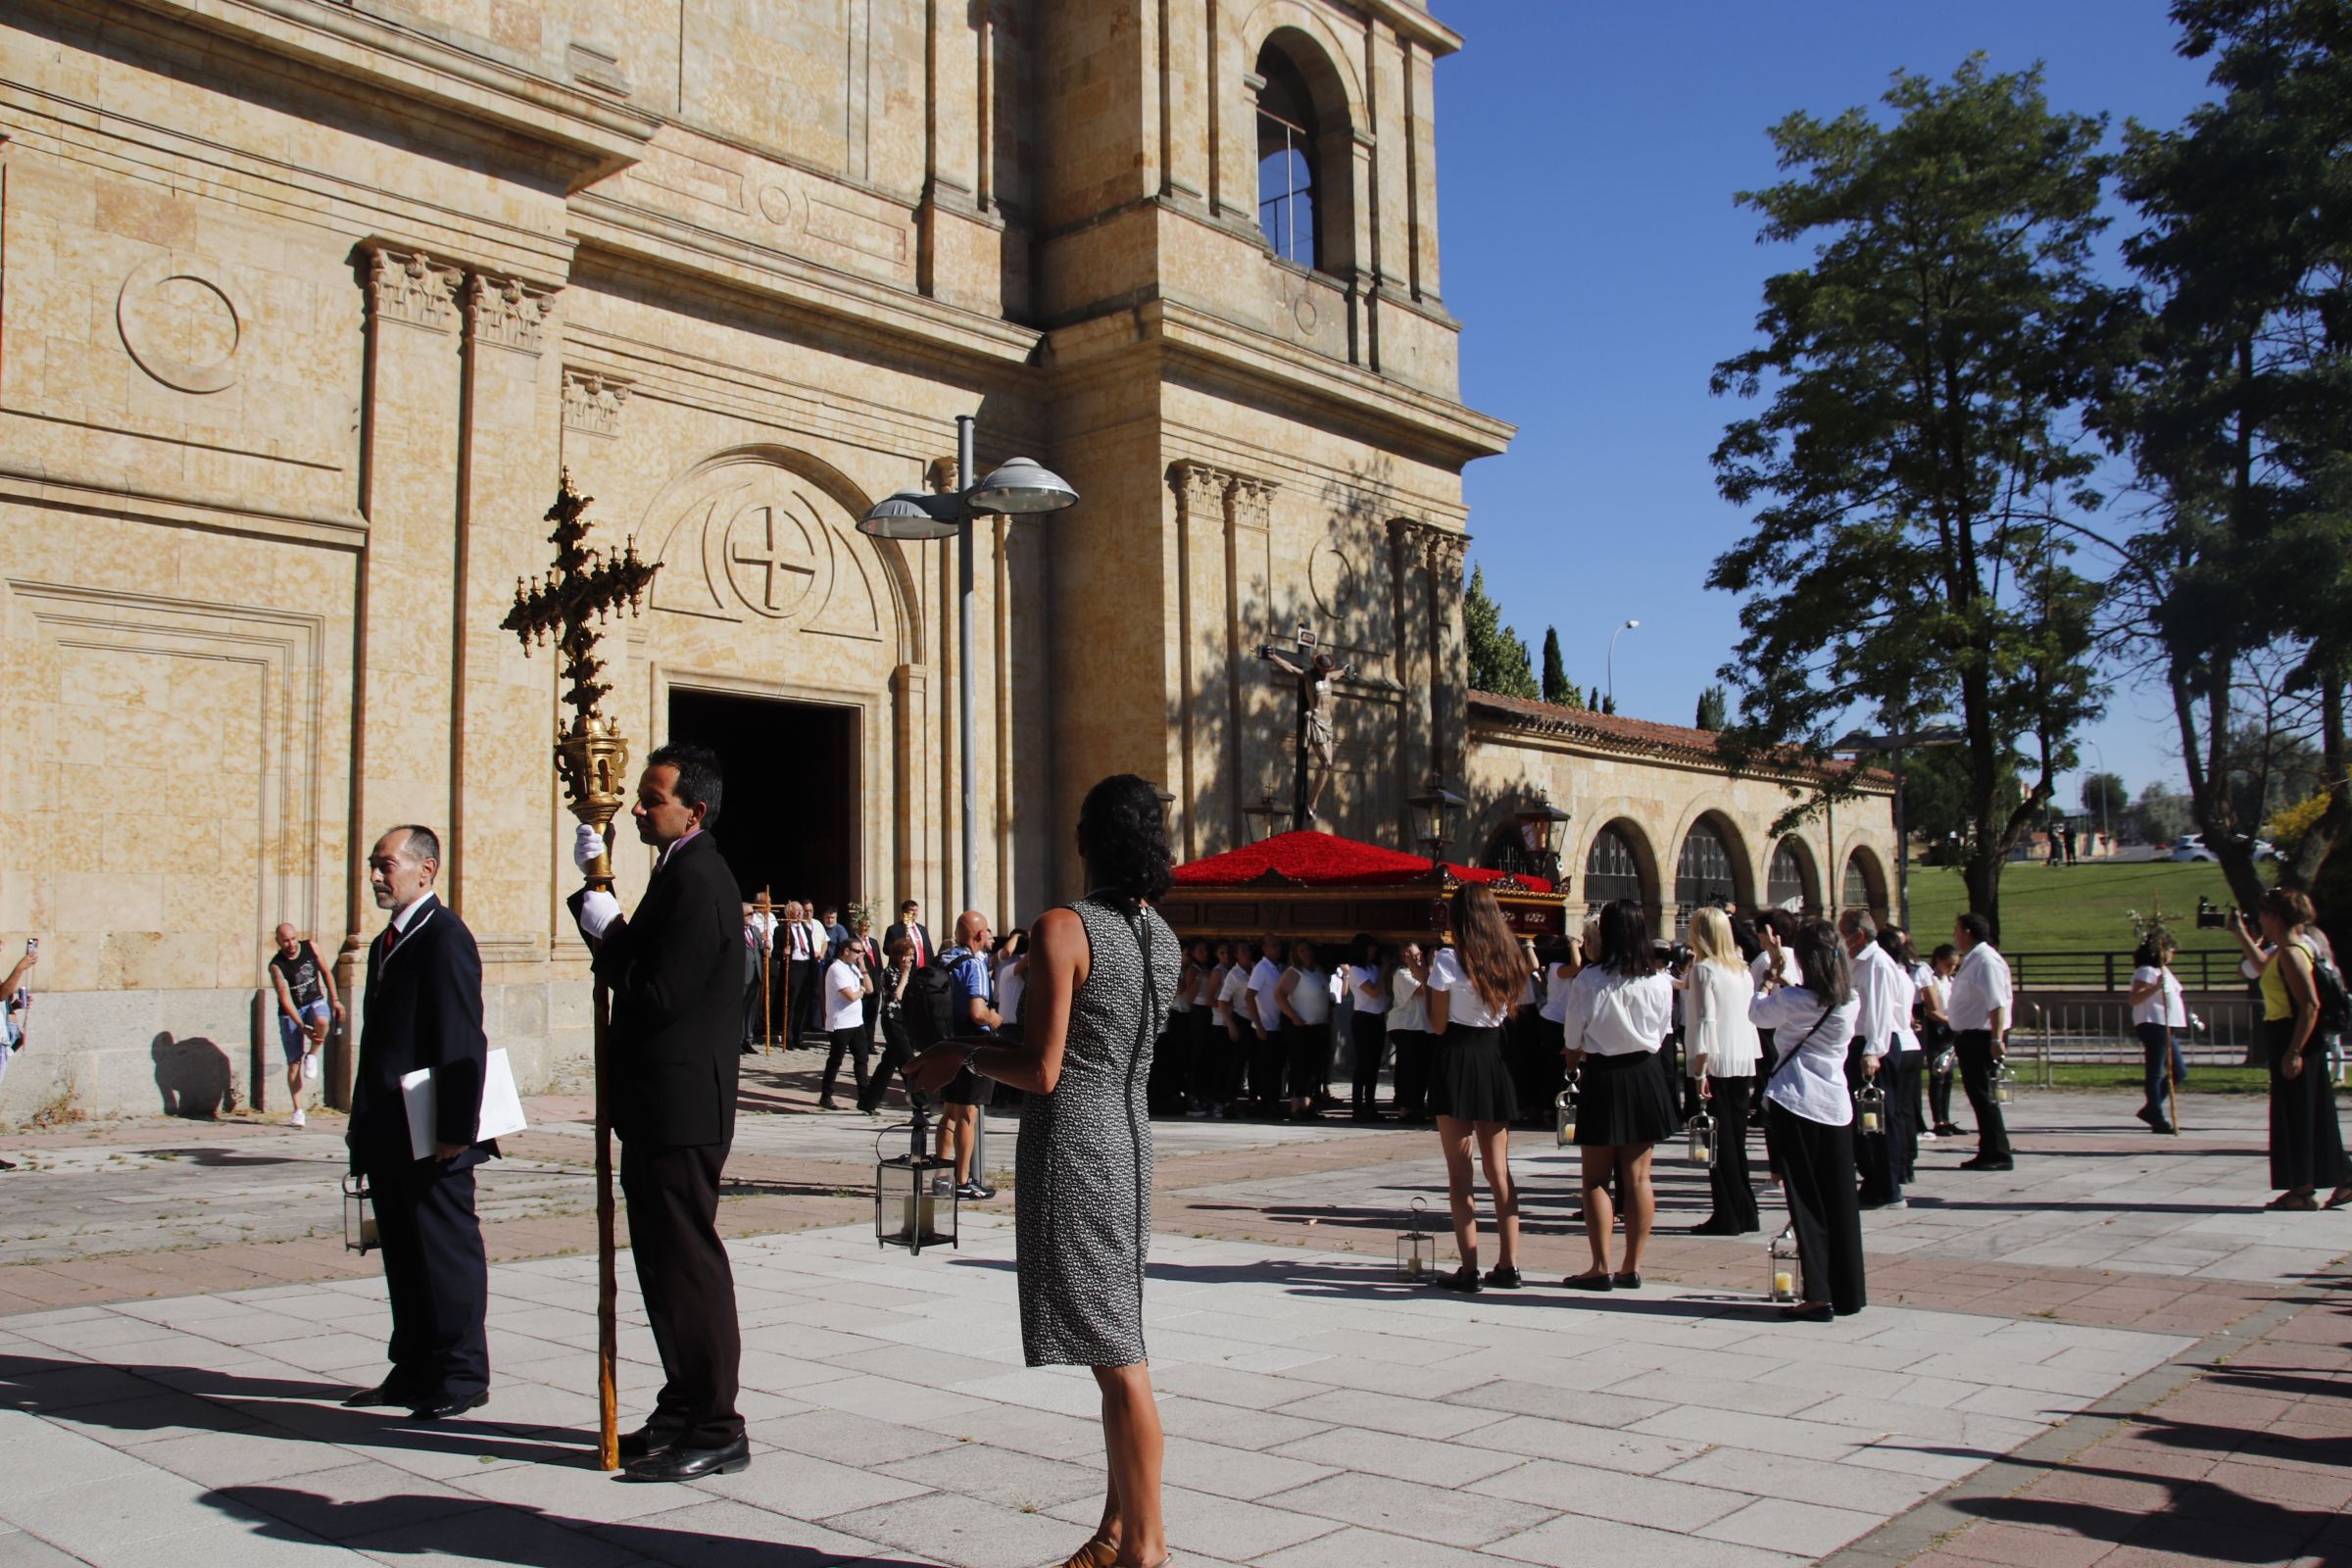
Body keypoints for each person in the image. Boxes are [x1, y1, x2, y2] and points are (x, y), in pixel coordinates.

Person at [906, 774, 1180, 1568]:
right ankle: (1118, 1528)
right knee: (1115, 1337)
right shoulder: (1160, 934)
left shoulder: (1063, 926)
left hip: (1077, 1141)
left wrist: (958, 1052)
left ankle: (1146, 1547)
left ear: (1084, 839)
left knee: (1118, 1356)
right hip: (1132, 1139)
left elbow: (1044, 1068)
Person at [567, 744, 750, 1481]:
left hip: (682, 1104)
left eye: (652, 797)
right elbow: (644, 959)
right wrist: (596, 888)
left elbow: (657, 992)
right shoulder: (676, 871)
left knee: (687, 1264)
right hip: (657, 1103)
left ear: (693, 811)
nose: (639, 807)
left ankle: (717, 1423)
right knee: (659, 1264)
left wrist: (606, 928)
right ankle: (681, 1405)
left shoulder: (701, 878)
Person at [342, 825, 495, 1422]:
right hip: (390, 1127)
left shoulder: (444, 936)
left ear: (426, 870)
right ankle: (413, 1367)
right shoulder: (390, 941)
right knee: (404, 1254)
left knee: (444, 1250)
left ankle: (461, 1372)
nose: (378, 877)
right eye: (374, 867)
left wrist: (457, 1127)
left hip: (434, 1129)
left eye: (387, 865)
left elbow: (462, 1035)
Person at [1559, 898, 1679, 1290]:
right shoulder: (1659, 981)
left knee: (1595, 1178)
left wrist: (1577, 1051)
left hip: (1605, 1073)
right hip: (1645, 1073)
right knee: (1640, 1176)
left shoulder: (1591, 979)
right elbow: (1662, 1033)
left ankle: (1600, 1265)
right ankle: (1632, 1265)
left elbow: (1572, 1034)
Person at [1750, 918, 1866, 1320]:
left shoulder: (1794, 999)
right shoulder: (1849, 1000)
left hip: (1796, 1099)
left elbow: (1758, 1016)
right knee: (1840, 1200)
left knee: (1806, 1200)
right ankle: (1848, 1290)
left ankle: (1818, 1292)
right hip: (1834, 1103)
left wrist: (1768, 980)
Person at [1422, 886, 1526, 1294]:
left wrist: (1427, 982)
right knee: (1499, 1169)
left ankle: (1469, 1267)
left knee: (1459, 1172)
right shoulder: (1507, 958)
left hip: (1457, 1057)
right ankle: (1509, 1263)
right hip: (1492, 1059)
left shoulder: (1449, 958)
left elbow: (1439, 1024)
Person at [2233, 890, 2351, 1211]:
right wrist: (2240, 934)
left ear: (2274, 916)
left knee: (2298, 1116)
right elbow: (2258, 966)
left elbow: (2309, 1004)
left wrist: (2294, 1050)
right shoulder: (2284, 950)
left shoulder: (2292, 953)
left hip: (2293, 1035)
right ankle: (2329, 1179)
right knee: (2302, 1114)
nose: (2260, 920)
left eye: (2263, 914)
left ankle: (2303, 1188)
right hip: (2285, 1033)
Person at [1684, 906, 1760, 1235]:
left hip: (1716, 1061)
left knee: (1718, 1142)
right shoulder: (1741, 969)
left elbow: (1705, 1021)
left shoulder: (1705, 970)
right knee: (1735, 1141)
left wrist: (1700, 1071)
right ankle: (1744, 1210)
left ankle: (1727, 1213)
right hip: (1741, 1058)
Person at [1842, 909, 1916, 1210]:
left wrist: (1873, 1050)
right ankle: (1873, 1179)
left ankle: (1888, 1186)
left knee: (1878, 1119)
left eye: (1843, 934)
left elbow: (1880, 1011)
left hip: (1875, 1045)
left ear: (1858, 936)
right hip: (1859, 1042)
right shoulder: (1858, 962)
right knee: (1865, 1122)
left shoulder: (1877, 964)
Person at [937, 910, 1001, 1200]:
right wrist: (994, 1018)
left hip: (946, 1043)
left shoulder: (945, 959)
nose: (990, 937)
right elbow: (977, 1012)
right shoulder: (973, 965)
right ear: (978, 936)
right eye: (987, 932)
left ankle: (940, 1176)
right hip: (971, 1044)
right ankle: (962, 1181)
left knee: (949, 1111)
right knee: (968, 1113)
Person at [1946, 913, 2014, 1172]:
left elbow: (1997, 1002)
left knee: (1984, 1096)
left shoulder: (1985, 960)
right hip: (1971, 1035)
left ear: (1967, 931)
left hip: (1982, 1036)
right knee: (1978, 1096)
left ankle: (1998, 1151)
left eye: (1956, 930)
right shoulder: (1975, 959)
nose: (1955, 936)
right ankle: (1989, 1148)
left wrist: (1996, 1037)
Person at [269, 922, 343, 1128]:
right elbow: (284, 998)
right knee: (294, 1063)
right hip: (291, 1011)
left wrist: (335, 999)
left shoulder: (310, 947)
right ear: (278, 941)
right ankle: (298, 1110)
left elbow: (326, 972)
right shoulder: (277, 965)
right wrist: (300, 1025)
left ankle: (313, 1053)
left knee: (322, 1021)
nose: (291, 944)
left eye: (293, 938)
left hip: (315, 1001)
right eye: (285, 940)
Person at [2129, 933, 2187, 1135]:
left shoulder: (2163, 971)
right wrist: (2154, 988)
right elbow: (2135, 998)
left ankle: (2151, 1107)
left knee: (2179, 1071)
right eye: (2170, 949)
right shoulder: (2146, 971)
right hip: (2154, 1023)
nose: (2173, 953)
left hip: (2167, 1025)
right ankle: (2155, 1113)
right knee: (2156, 1070)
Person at [858, 935, 919, 1115]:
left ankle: (868, 1102)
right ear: (900, 956)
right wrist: (906, 974)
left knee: (888, 1064)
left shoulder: (908, 972)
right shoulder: (889, 973)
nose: (911, 959)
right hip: (892, 1019)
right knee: (908, 1061)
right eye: (908, 955)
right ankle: (920, 1102)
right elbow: (898, 995)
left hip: (904, 1018)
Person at [1275, 940, 1334, 1120]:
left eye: (1308, 950)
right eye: (1302, 950)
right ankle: (1295, 1107)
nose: (1306, 953)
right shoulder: (1294, 972)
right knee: (1299, 1067)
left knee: (1314, 1069)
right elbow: (1279, 995)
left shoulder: (1318, 972)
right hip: (1301, 1027)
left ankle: (1307, 1106)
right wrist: (1294, 1017)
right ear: (1296, 954)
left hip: (1319, 1026)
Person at [816, 940, 873, 1112]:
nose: (859, 955)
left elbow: (870, 989)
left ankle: (864, 1098)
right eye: (857, 952)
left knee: (862, 1059)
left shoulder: (854, 968)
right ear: (846, 950)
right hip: (840, 1022)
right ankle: (826, 1096)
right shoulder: (836, 969)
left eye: (861, 952)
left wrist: (863, 967)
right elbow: (850, 996)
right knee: (836, 1060)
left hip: (856, 1021)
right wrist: (861, 991)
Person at [1386, 941, 1433, 1124]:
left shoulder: (1418, 973)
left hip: (1421, 1026)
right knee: (1408, 1069)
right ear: (1406, 954)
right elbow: (1424, 990)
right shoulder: (1401, 973)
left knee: (1420, 1070)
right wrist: (1429, 967)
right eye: (1416, 954)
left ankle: (1416, 1107)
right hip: (1406, 1026)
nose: (1419, 956)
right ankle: (1405, 1109)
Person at [1345, 934, 1389, 1121]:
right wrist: (1385, 970)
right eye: (1370, 947)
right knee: (1363, 1064)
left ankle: (1370, 1105)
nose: (1374, 951)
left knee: (1373, 1065)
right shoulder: (1356, 970)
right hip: (1363, 1019)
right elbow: (1373, 992)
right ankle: (1357, 1107)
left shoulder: (1373, 968)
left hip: (1377, 1018)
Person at [1920, 945, 1961, 1138]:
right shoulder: (1932, 980)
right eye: (1949, 964)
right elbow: (1931, 1009)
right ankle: (1938, 1120)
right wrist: (1948, 1020)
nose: (1952, 969)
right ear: (1938, 960)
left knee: (1948, 1076)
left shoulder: (1950, 980)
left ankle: (1946, 1117)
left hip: (1950, 1031)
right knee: (1938, 1075)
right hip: (1938, 1030)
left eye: (1955, 966)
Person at [1245, 933, 1286, 1116]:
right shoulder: (1261, 968)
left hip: (1277, 1025)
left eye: (1279, 945)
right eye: (1273, 945)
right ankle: (1266, 1104)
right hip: (1265, 1026)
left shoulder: (1277, 968)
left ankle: (1274, 1102)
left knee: (1276, 1068)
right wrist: (1258, 1024)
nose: (1277, 948)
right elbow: (1249, 996)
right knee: (1266, 1069)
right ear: (1264, 948)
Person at [1216, 941, 1254, 1116]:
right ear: (1237, 955)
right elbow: (1222, 1001)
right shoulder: (1234, 974)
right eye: (1242, 951)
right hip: (1241, 1019)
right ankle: (1229, 1101)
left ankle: (1254, 1100)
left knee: (1256, 1063)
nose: (1246, 954)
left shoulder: (1256, 969)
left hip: (1257, 1019)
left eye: (1248, 950)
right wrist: (1231, 1024)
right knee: (1237, 1063)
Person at [884, 898, 933, 969]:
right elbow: (887, 949)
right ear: (904, 912)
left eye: (916, 910)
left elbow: (929, 950)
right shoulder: (894, 929)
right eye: (911, 910)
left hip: (923, 971)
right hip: (904, 969)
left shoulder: (922, 929)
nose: (914, 913)